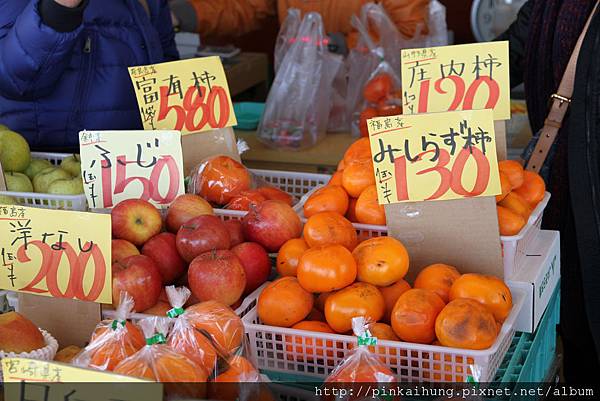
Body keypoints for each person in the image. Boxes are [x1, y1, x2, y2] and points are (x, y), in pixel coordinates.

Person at [499, 0, 600, 383]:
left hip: (588, 191)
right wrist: (421, 78)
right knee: (574, 327)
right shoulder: (547, 6)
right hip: (564, 197)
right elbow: (506, 55)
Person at [0, 0, 178, 151]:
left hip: (133, 165)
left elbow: (166, 64)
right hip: (47, 169)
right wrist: (63, 6)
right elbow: (15, 79)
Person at [169, 0, 430, 43]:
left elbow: (412, 31)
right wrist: (183, 15)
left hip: (370, 99)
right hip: (301, 96)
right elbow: (246, 6)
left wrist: (345, 44)